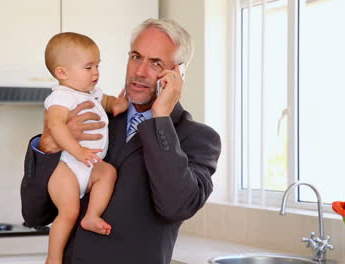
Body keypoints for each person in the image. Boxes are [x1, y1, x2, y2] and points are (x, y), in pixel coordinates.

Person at [21, 18, 221, 264]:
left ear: (177, 74)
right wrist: (48, 147)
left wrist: (160, 119)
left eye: (155, 63)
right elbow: (34, 214)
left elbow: (176, 207)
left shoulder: (198, 138)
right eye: (136, 57)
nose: (139, 71)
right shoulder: (91, 118)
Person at [41, 32, 128, 264]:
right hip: (67, 167)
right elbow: (56, 126)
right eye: (88, 67)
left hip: (89, 167)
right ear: (62, 73)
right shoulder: (61, 97)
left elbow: (107, 101)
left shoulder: (92, 93)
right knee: (68, 213)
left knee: (108, 172)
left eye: (97, 65)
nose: (96, 72)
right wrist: (78, 151)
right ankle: (53, 258)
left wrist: (117, 103)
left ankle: (91, 216)